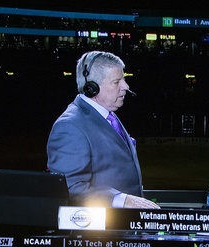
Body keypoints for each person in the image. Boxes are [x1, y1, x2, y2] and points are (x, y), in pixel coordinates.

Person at [47, 50, 160, 209]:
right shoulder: (70, 126)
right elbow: (69, 187)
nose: (126, 86)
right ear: (92, 88)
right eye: (116, 82)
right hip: (101, 230)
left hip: (125, 225)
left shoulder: (107, 114)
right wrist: (121, 200)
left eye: (124, 79)